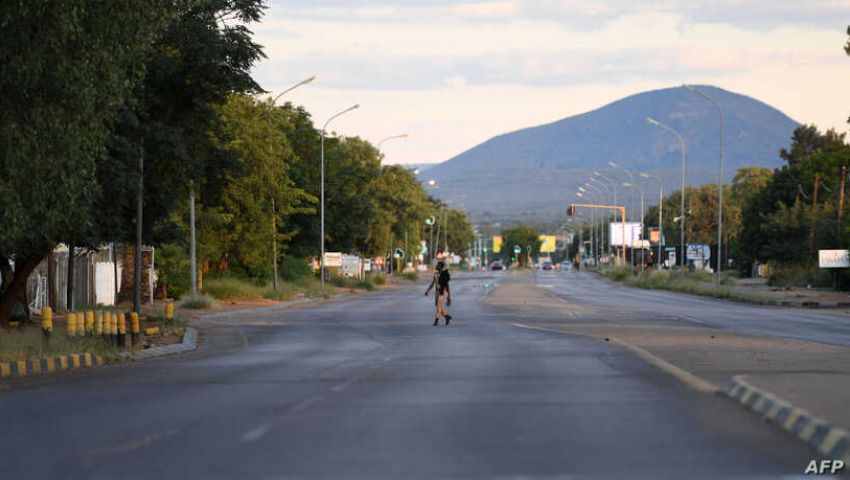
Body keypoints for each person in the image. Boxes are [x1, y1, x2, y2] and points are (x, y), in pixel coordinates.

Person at [425, 261, 452, 326]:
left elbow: (447, 285)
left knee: (439, 307)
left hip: (443, 292)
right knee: (439, 306)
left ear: (441, 267)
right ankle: (447, 317)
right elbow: (433, 283)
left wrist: (449, 296)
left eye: (438, 265)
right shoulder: (436, 274)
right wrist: (427, 291)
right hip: (437, 292)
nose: (436, 266)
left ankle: (436, 321)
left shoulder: (444, 274)